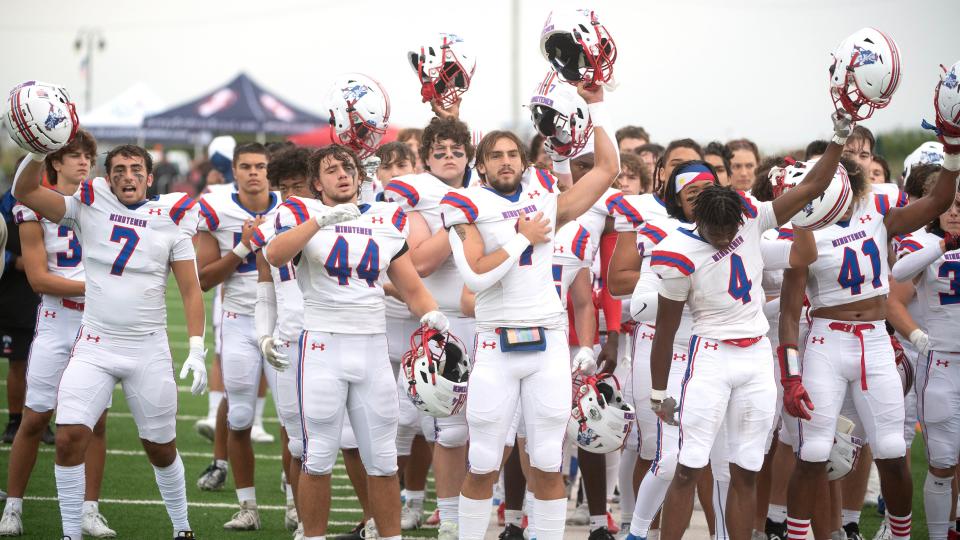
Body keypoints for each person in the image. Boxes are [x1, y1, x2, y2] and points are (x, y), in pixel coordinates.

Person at [648, 112, 852, 540]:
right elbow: (666, 330)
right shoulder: (676, 251)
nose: (724, 238)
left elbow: (813, 186)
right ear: (695, 220)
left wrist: (838, 136)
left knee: (747, 470)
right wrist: (657, 391)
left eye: (730, 231)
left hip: (756, 355)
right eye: (715, 233)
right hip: (710, 357)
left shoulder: (753, 216)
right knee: (688, 466)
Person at [444, 82, 619, 540]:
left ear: (523, 161)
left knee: (546, 458)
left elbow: (607, 168)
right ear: (480, 165)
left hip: (547, 342)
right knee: (483, 458)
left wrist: (597, 103)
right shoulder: (464, 203)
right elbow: (477, 276)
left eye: (511, 154)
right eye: (495, 155)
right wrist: (523, 236)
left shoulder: (544, 199)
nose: (505, 160)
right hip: (495, 342)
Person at [12, 143, 206, 540]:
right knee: (68, 437)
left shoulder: (172, 216)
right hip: (95, 344)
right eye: (118, 169)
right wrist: (36, 152)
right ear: (108, 176)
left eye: (136, 169)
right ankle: (70, 532)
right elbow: (25, 192)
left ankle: (182, 528)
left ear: (150, 178)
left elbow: (191, 289)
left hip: (147, 347)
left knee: (161, 448)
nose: (127, 176)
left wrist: (198, 348)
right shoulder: (88, 203)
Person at [780, 121, 960, 540]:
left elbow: (938, 200)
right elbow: (790, 315)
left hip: (876, 340)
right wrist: (790, 373)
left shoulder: (877, 215)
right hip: (827, 339)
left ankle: (897, 534)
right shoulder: (805, 232)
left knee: (893, 449)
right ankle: (797, 534)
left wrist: (951, 149)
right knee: (815, 451)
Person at [266, 144, 448, 540]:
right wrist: (320, 222)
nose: (342, 174)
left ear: (361, 175)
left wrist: (433, 317)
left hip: (371, 347)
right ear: (316, 183)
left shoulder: (387, 218)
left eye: (347, 167)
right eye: (330, 170)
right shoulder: (299, 212)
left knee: (382, 460)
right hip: (322, 347)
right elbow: (275, 255)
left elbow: (412, 287)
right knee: (317, 458)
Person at [0, 130, 114, 538]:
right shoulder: (34, 207)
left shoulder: (104, 203)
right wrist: (95, 287)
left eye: (88, 155)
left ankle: (89, 509)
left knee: (95, 422)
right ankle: (13, 506)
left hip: (97, 324)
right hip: (57, 319)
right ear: (54, 161)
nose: (84, 162)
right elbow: (38, 279)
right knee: (34, 419)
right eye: (73, 155)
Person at [382, 114, 477, 539]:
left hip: (488, 318)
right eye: (439, 152)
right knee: (448, 428)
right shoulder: (418, 192)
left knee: (495, 425)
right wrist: (461, 219)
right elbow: (418, 262)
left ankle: (507, 517)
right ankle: (451, 518)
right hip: (443, 317)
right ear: (426, 157)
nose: (449, 158)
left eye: (457, 151)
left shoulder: (485, 188)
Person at [195, 142, 281, 531]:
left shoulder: (291, 206)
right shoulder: (217, 208)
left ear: (269, 170)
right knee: (240, 414)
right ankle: (247, 505)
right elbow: (204, 278)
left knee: (297, 420)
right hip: (238, 320)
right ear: (234, 169)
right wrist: (246, 245)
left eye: (260, 166)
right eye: (245, 166)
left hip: (284, 321)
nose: (253, 173)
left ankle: (296, 504)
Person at [890, 181, 960, 540]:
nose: (954, 212)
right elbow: (897, 278)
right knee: (942, 461)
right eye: (949, 205)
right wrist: (941, 247)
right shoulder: (925, 244)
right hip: (942, 363)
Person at [0, 183, 39, 446]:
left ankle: (41, 420)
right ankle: (15, 421)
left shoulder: (56, 200)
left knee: (46, 364)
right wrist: (13, 259)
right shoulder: (6, 205)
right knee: (18, 361)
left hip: (48, 296)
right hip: (13, 293)